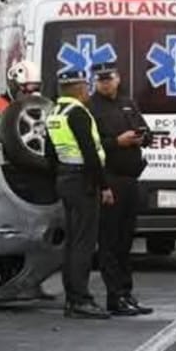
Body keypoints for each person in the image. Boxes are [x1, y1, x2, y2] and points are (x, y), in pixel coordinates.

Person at [44, 67, 114, 319]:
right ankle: (81, 300)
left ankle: (72, 300)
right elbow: (91, 153)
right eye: (85, 85)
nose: (88, 90)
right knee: (84, 243)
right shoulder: (78, 114)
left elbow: (49, 154)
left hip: (65, 178)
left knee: (73, 242)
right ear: (77, 88)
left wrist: (61, 174)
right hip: (83, 180)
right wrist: (104, 186)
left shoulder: (54, 113)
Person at [89, 60, 153, 317]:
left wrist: (143, 137)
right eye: (101, 79)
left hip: (130, 179)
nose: (106, 83)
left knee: (127, 240)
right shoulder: (91, 108)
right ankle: (114, 296)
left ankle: (127, 293)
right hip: (110, 179)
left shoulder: (128, 103)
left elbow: (144, 130)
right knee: (110, 242)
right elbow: (93, 147)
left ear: (118, 78)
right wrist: (117, 141)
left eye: (110, 78)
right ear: (96, 82)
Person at [0, 59, 43, 137]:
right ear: (14, 87)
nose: (33, 94)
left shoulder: (39, 110)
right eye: (29, 89)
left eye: (37, 88)